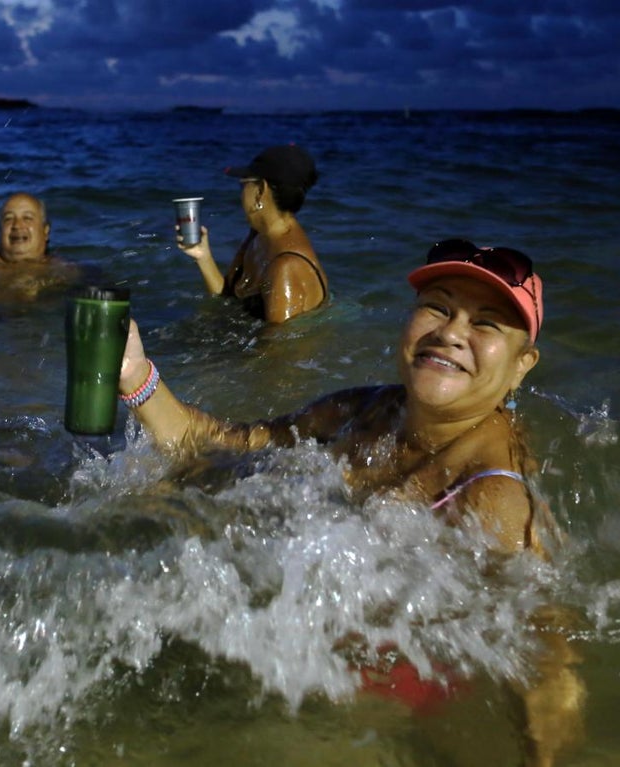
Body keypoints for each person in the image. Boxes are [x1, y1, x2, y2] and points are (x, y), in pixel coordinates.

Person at [117, 239, 583, 766]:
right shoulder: (364, 410)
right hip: (285, 653)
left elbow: (542, 645)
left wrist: (541, 756)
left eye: (487, 324)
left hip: (373, 702)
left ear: (523, 365)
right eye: (437, 306)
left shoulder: (492, 493)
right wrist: (136, 377)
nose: (451, 332)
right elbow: (221, 447)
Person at [179, 144, 327, 324]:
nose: (241, 194)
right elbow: (228, 299)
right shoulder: (257, 235)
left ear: (260, 191)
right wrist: (203, 257)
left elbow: (283, 350)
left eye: (243, 185)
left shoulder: (286, 267)